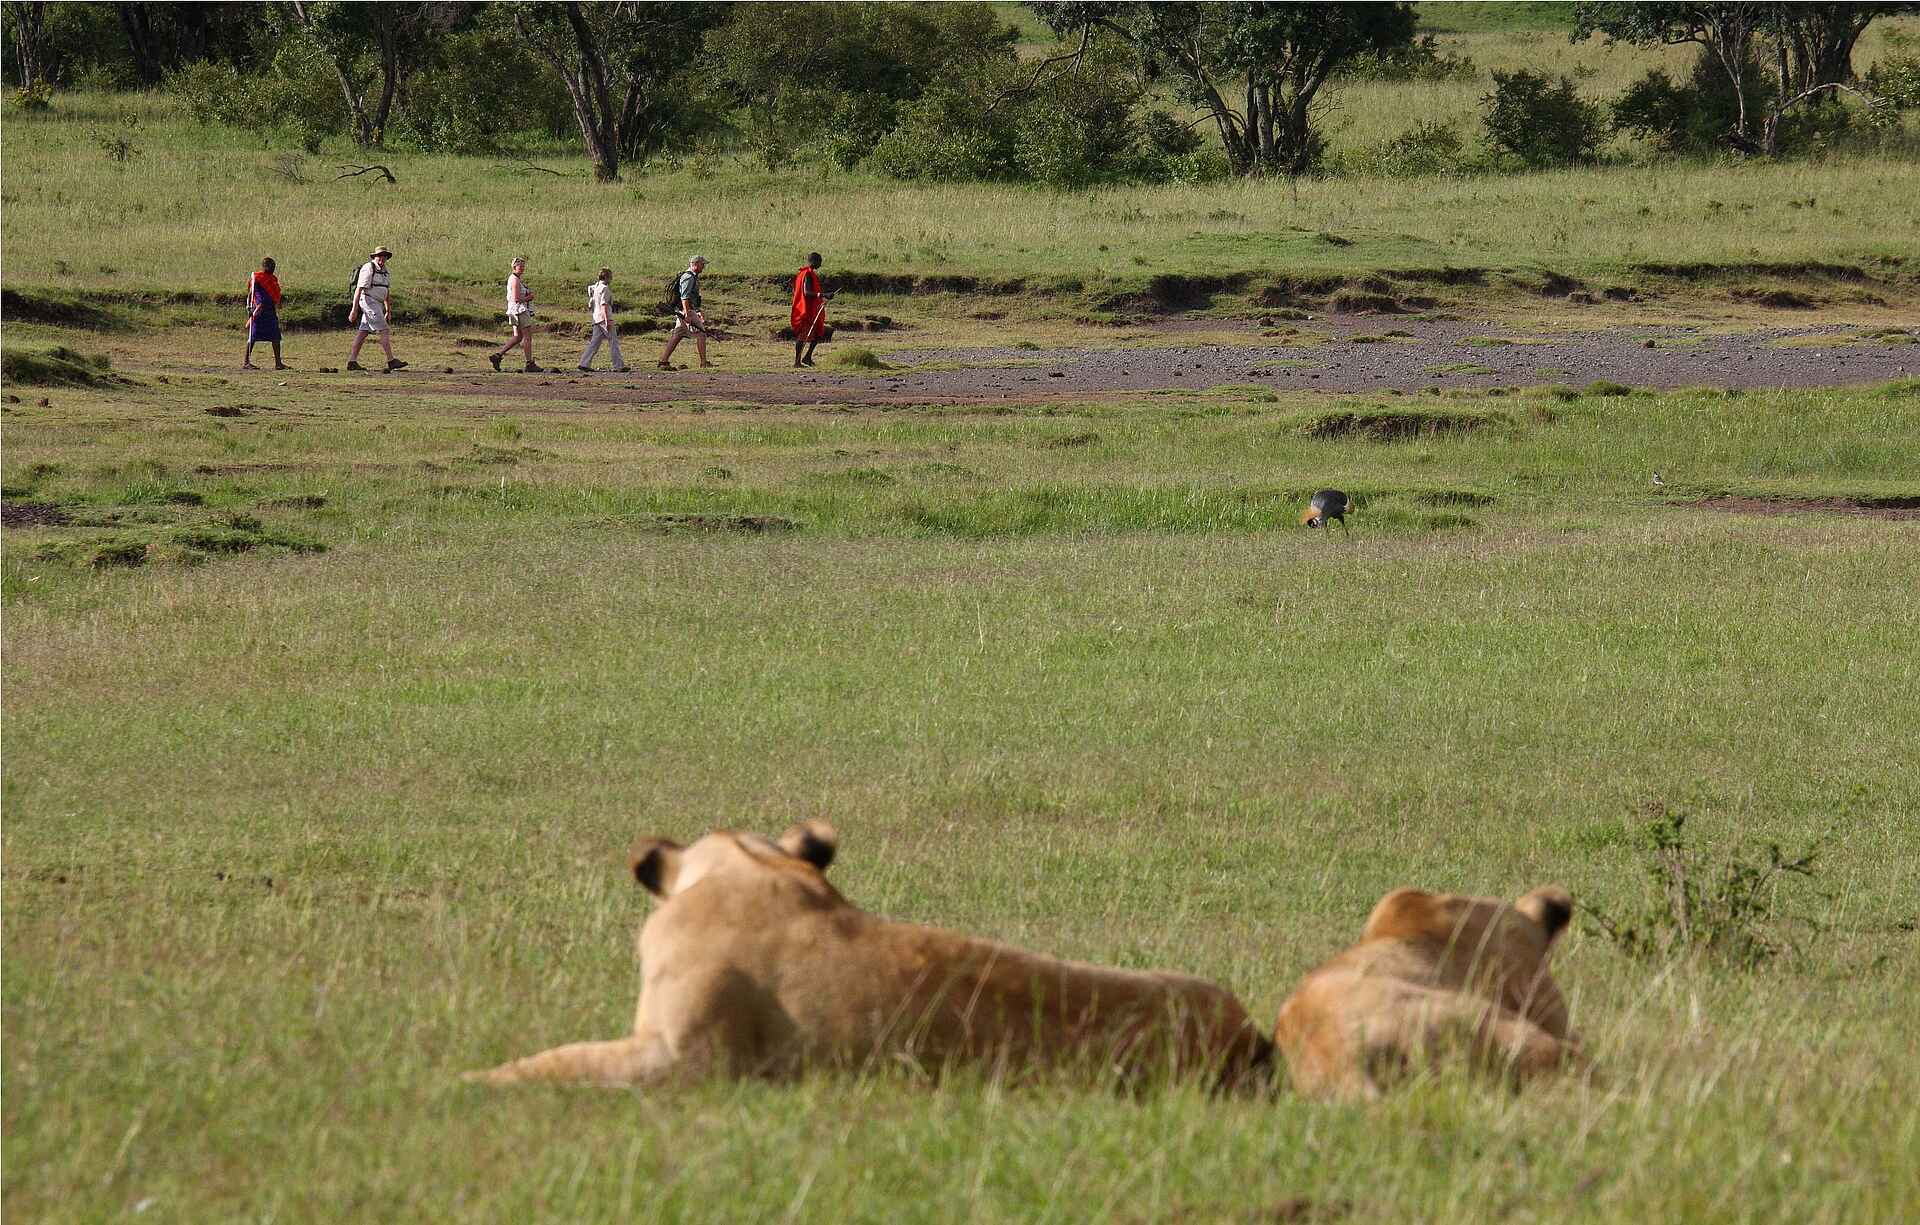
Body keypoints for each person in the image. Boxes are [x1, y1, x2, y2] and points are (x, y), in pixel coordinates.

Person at [346, 245, 406, 372]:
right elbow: (359, 289)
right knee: (384, 330)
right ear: (375, 257)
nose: (382, 259)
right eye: (379, 256)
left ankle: (352, 361)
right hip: (369, 301)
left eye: (384, 256)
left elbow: (386, 291)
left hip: (376, 303)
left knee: (363, 332)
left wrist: (388, 310)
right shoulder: (368, 268)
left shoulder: (385, 271)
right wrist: (354, 309)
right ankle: (391, 361)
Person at [657, 255, 713, 370]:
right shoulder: (688, 277)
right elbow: (685, 297)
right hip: (686, 310)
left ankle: (663, 361)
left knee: (678, 334)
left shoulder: (692, 277)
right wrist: (687, 314)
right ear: (695, 264)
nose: (704, 267)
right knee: (701, 334)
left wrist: (698, 311)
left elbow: (692, 297)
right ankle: (703, 363)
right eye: (702, 264)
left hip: (685, 310)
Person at [490, 256, 542, 372]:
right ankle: (529, 363)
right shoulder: (515, 280)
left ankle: (497, 356)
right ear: (514, 267)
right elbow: (517, 298)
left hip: (514, 310)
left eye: (523, 266)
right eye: (520, 266)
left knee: (518, 337)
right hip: (520, 310)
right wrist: (529, 297)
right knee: (527, 337)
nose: (522, 268)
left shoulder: (515, 279)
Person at [578, 267, 628, 373]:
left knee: (594, 343)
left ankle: (584, 363)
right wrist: (607, 320)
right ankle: (618, 365)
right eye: (610, 276)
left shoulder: (596, 287)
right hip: (604, 318)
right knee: (613, 341)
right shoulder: (605, 289)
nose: (612, 278)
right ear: (606, 277)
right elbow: (604, 305)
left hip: (596, 318)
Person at [244, 256, 286, 370]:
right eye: (270, 266)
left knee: (276, 337)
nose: (272, 268)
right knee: (253, 336)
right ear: (264, 267)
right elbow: (251, 293)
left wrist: (278, 303)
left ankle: (278, 363)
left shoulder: (273, 279)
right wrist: (249, 307)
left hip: (270, 311)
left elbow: (276, 293)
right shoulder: (257, 278)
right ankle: (246, 362)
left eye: (273, 267)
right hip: (259, 311)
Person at [791, 251, 831, 368]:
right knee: (803, 335)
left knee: (818, 332)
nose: (820, 264)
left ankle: (807, 357)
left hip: (812, 308)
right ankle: (797, 362)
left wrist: (824, 296)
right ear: (814, 261)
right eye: (819, 262)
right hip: (806, 309)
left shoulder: (806, 273)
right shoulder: (807, 274)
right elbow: (807, 292)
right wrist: (822, 295)